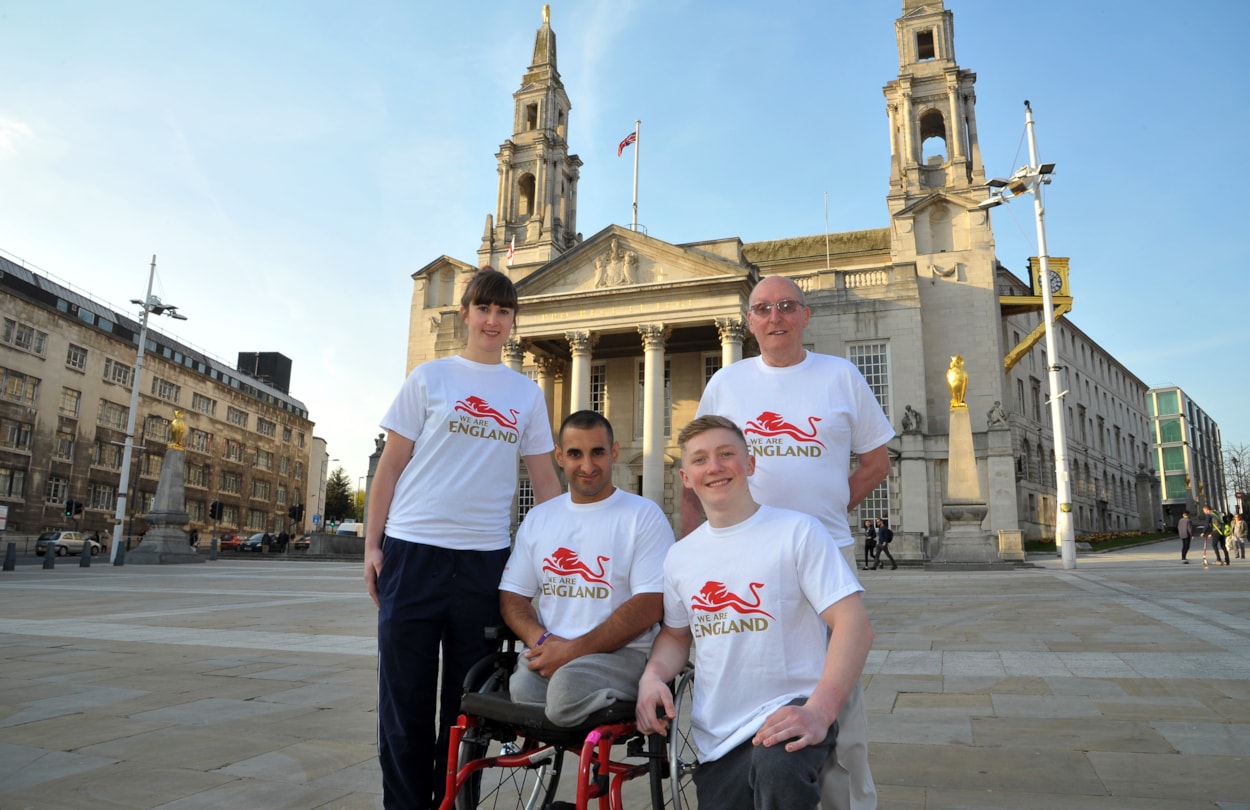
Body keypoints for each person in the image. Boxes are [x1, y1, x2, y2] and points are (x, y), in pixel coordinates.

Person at [683, 274, 894, 810]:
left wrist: (826, 508)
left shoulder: (840, 376)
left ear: (804, 315)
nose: (774, 317)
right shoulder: (727, 383)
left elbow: (876, 462)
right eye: (762, 308)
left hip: (823, 550)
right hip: (741, 555)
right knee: (752, 679)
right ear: (749, 321)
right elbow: (698, 464)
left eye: (785, 306)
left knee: (835, 698)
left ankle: (846, 803)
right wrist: (695, 547)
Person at [365, 267, 562, 810]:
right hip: (413, 551)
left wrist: (560, 562)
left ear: (514, 321)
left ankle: (456, 804)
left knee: (466, 712)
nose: (493, 320)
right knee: (403, 704)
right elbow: (390, 467)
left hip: (483, 563)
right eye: (484, 309)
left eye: (504, 311)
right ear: (466, 315)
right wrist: (372, 545)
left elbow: (546, 483)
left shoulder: (525, 394)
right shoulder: (430, 379)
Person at [638, 416, 873, 810]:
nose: (714, 467)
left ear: (749, 464)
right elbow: (676, 637)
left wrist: (819, 710)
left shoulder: (798, 532)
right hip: (718, 741)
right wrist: (651, 677)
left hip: (788, 719)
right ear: (686, 477)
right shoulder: (680, 557)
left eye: (726, 454)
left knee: (777, 766)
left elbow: (854, 625)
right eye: (700, 460)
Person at [500, 410, 674, 725]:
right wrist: (542, 642)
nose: (588, 466)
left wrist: (573, 651)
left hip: (621, 653)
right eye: (575, 454)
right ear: (559, 456)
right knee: (521, 686)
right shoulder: (541, 517)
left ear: (614, 452)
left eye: (598, 452)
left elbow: (650, 604)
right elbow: (513, 596)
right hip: (552, 650)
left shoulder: (642, 515)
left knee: (565, 690)